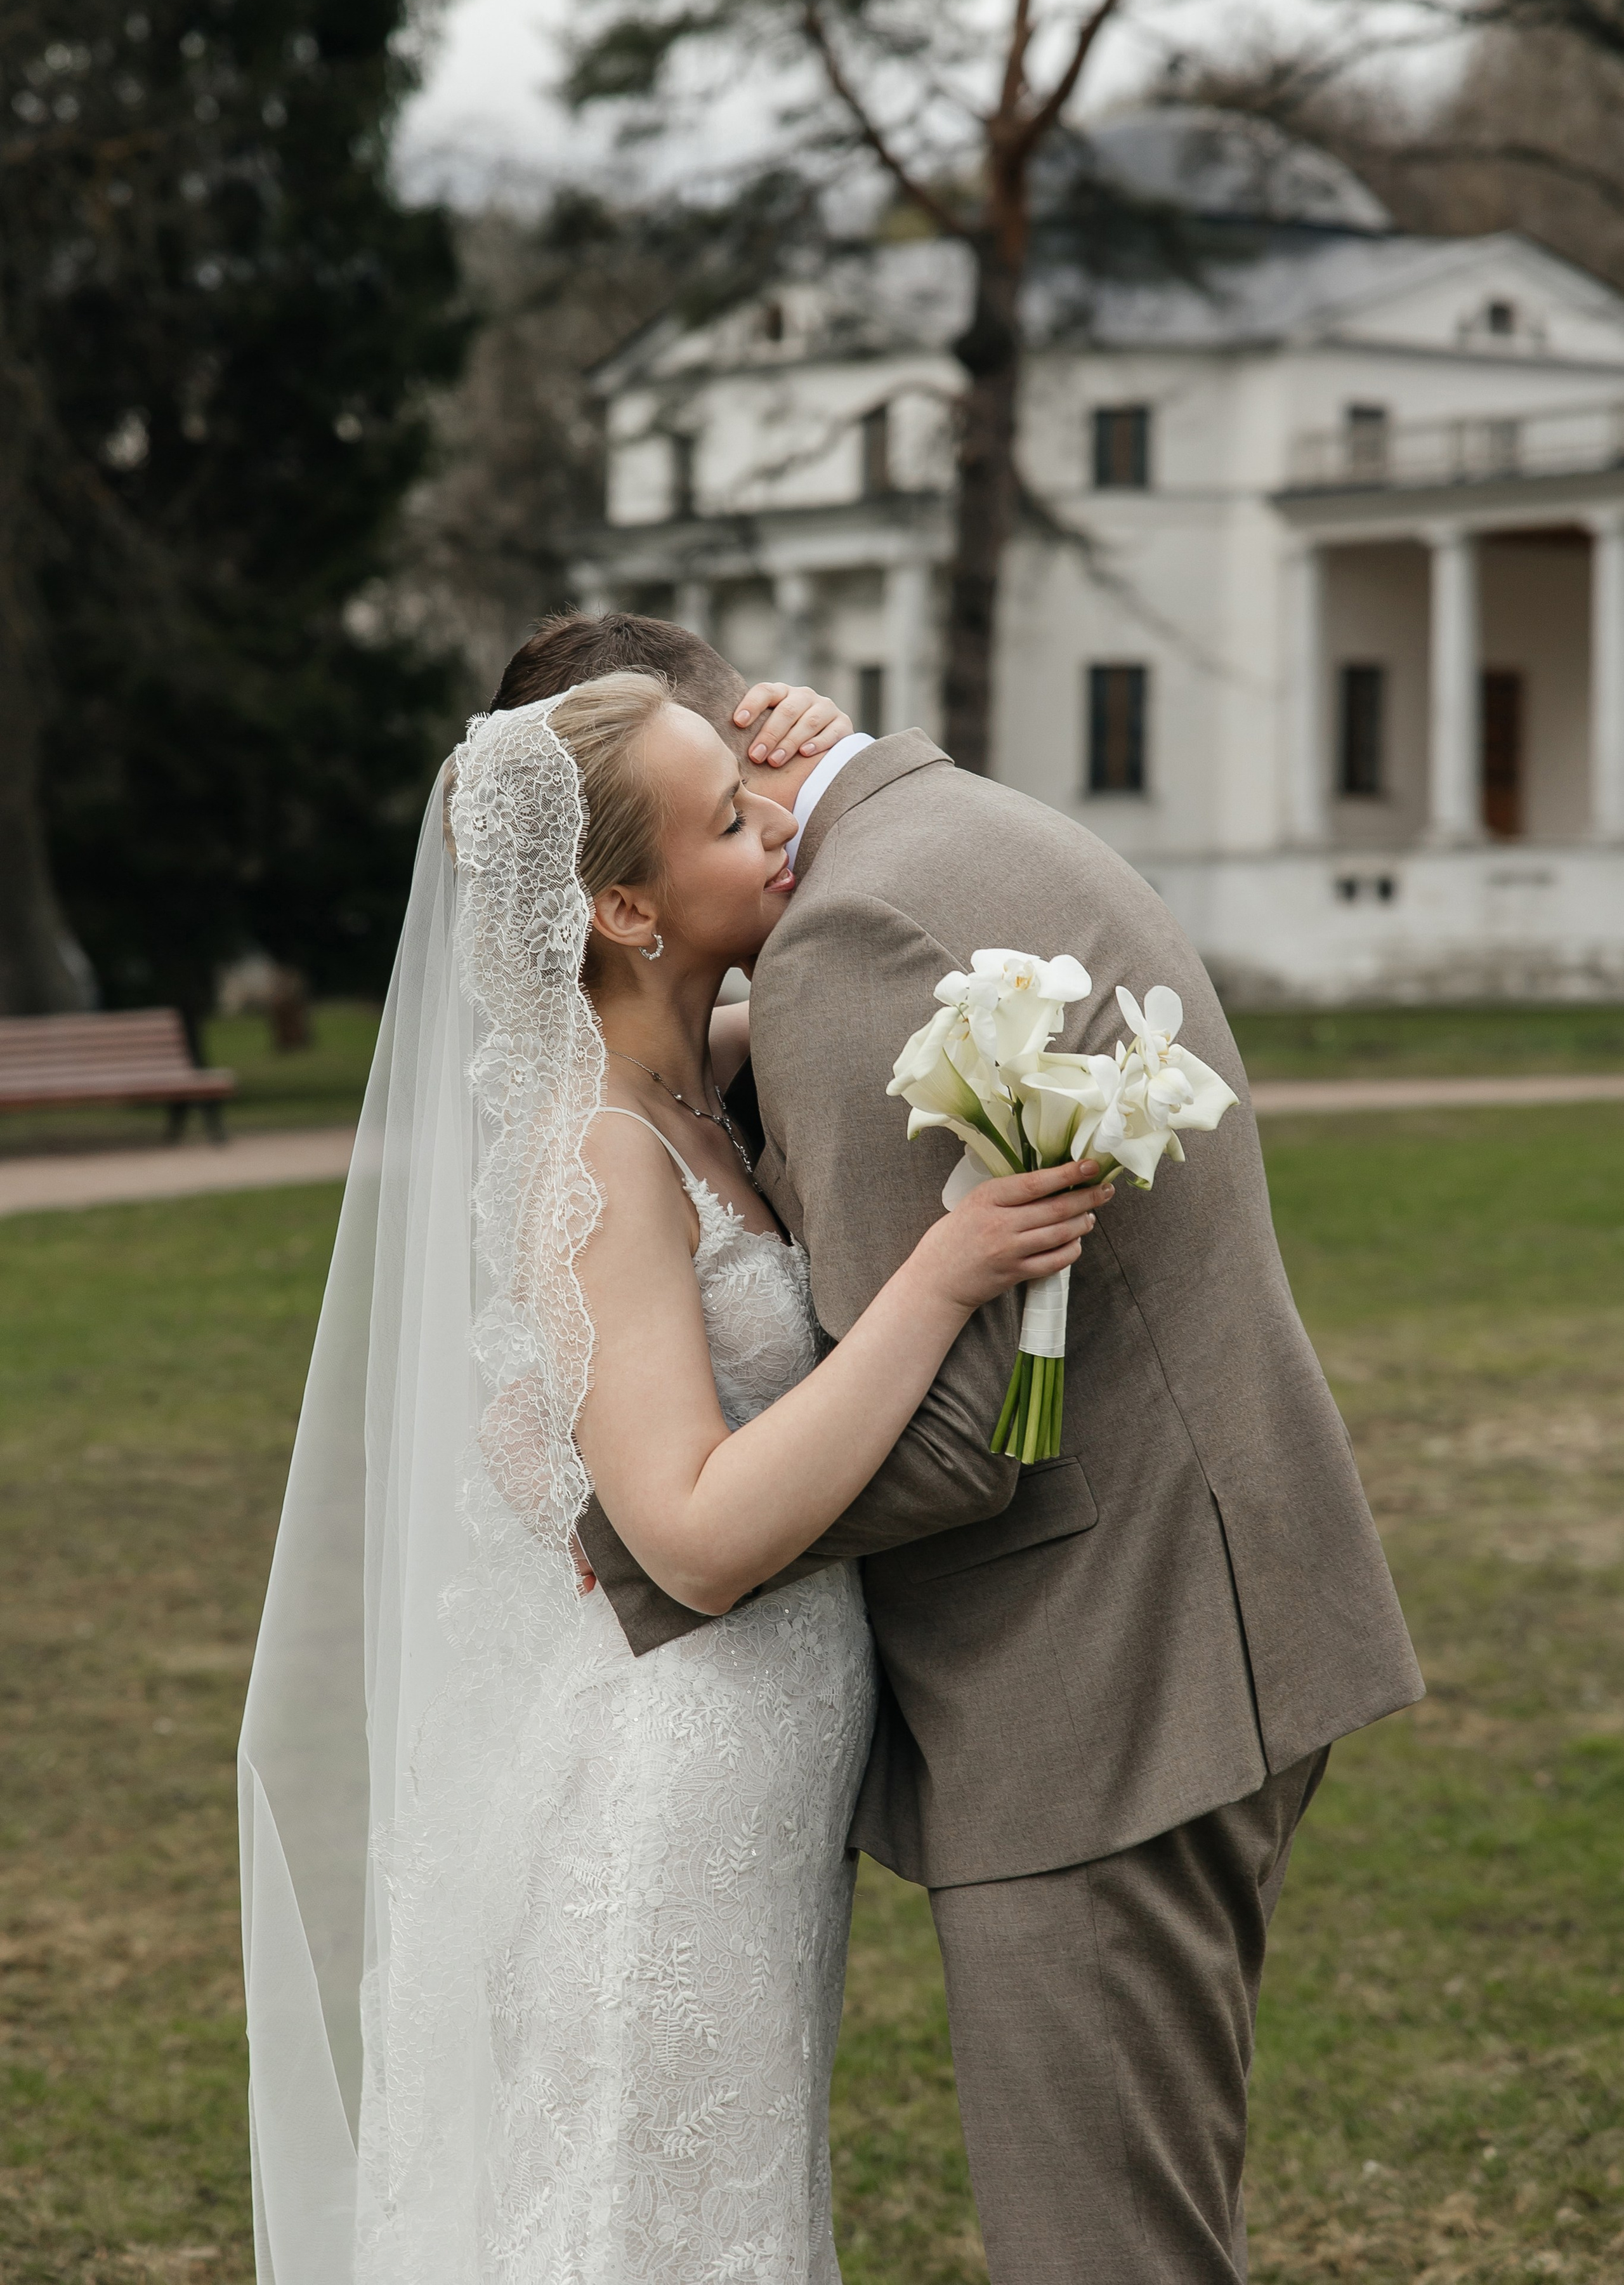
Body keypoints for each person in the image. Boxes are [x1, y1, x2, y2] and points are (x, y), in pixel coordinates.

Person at [509, 611, 1425, 2285]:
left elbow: (956, 1445)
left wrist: (639, 1537)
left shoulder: (854, 930)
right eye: (714, 815)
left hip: (1093, 1686)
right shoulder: (941, 841)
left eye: (739, 794)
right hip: (1195, 1619)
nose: (760, 834)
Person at [238, 668, 1111, 2283]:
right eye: (728, 819)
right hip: (671, 1785)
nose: (779, 829)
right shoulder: (599, 1151)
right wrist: (943, 1274)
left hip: (765, 1776)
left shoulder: (694, 1073)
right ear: (625, 906)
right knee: (641, 2217)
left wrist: (819, 736)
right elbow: (695, 1539)